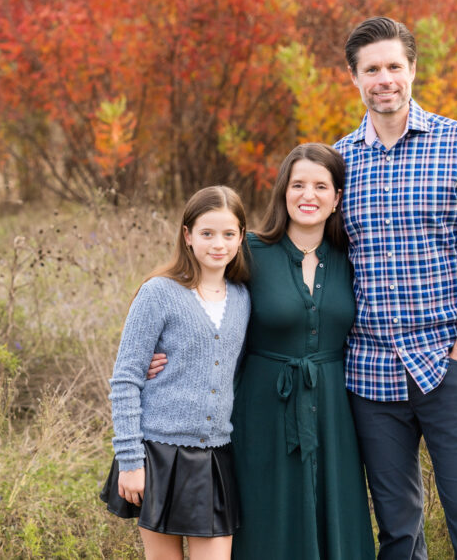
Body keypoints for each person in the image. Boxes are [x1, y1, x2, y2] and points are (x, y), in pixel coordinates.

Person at [335, 16, 457, 559]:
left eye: (394, 66)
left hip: (447, 362)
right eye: (371, 70)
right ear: (354, 78)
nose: (384, 80)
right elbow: (308, 258)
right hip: (369, 373)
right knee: (397, 532)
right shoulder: (339, 162)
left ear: (412, 69)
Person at [146, 144, 375, 559]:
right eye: (298, 184)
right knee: (266, 518)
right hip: (261, 410)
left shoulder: (354, 256)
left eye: (321, 186)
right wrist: (162, 354)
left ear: (337, 197)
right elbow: (196, 296)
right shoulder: (249, 251)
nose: (308, 195)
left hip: (334, 411)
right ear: (283, 191)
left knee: (333, 514)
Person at [108, 186, 252, 560]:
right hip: (158, 453)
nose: (218, 244)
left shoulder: (243, 297)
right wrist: (130, 462)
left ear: (241, 237)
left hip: (215, 454)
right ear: (187, 236)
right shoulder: (159, 292)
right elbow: (125, 379)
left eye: (228, 233)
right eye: (207, 233)